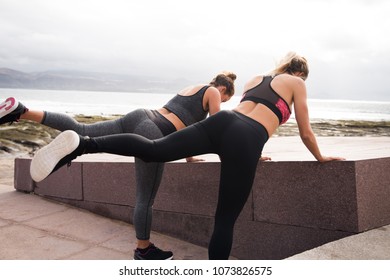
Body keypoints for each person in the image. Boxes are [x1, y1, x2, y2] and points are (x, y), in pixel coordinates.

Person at [30, 52, 345, 259]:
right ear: (301, 72)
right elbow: (304, 131)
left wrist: (250, 151)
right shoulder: (297, 84)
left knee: (154, 150)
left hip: (224, 122)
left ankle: (84, 144)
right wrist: (320, 157)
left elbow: (250, 112)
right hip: (245, 139)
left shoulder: (256, 79)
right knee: (224, 220)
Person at [1, 71, 236, 260]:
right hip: (154, 131)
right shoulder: (214, 92)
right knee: (145, 197)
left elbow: (184, 119)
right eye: (226, 100)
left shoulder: (193, 87)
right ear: (224, 89)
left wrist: (190, 158)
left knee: (82, 130)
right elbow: (213, 127)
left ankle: (22, 111)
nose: (222, 101)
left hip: (141, 115)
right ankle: (144, 249)